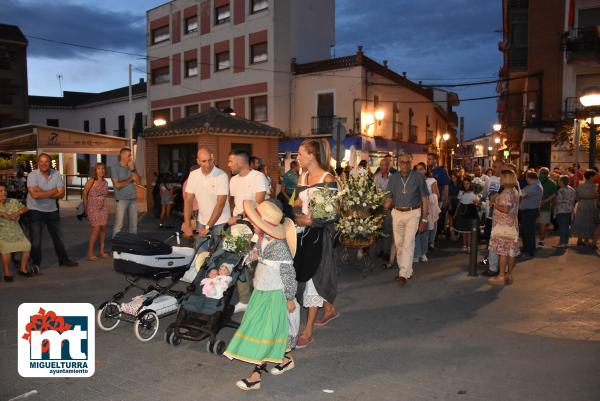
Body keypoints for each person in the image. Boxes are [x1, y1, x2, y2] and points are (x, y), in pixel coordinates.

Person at [224, 200, 298, 391]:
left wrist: (289, 297)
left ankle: (256, 375)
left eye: (255, 222)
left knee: (265, 331)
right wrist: (250, 256)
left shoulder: (280, 248)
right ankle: (284, 358)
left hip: (274, 295)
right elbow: (256, 254)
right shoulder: (262, 238)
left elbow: (289, 274)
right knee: (261, 329)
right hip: (260, 291)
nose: (252, 223)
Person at [293, 138, 339, 349]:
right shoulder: (302, 176)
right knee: (308, 274)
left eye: (301, 153)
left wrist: (310, 220)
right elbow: (297, 202)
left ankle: (308, 331)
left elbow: (333, 211)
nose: (298, 157)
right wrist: (297, 217)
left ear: (311, 155)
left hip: (319, 235)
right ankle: (329, 308)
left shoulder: (328, 178)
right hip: (302, 233)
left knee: (312, 278)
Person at [384, 153, 429, 286]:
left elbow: (425, 199)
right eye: (402, 162)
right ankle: (407, 270)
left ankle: (402, 274)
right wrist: (386, 203)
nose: (405, 165)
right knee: (399, 244)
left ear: (411, 163)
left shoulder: (418, 177)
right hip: (397, 213)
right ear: (398, 163)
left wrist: (424, 219)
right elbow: (388, 196)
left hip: (413, 213)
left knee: (408, 243)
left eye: (407, 162)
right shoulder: (393, 178)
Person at [27, 153, 77, 270]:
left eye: (46, 162)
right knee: (36, 239)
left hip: (52, 210)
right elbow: (34, 195)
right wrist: (53, 191)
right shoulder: (32, 175)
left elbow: (62, 194)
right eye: (41, 162)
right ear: (38, 163)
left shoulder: (56, 175)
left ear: (50, 163)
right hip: (35, 210)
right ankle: (36, 263)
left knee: (58, 237)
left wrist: (42, 192)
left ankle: (63, 260)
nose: (44, 164)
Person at [183, 147, 231, 242]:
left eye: (210, 160)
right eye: (204, 161)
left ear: (213, 158)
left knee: (220, 255)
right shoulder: (193, 175)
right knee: (200, 253)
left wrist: (208, 227)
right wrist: (187, 224)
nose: (208, 164)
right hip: (202, 221)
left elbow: (220, 204)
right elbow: (188, 201)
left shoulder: (222, 176)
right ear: (198, 161)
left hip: (221, 222)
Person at [488, 171, 520, 285]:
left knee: (502, 252)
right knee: (511, 252)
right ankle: (509, 275)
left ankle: (501, 276)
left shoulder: (506, 193)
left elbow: (505, 209)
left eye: (501, 178)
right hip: (512, 225)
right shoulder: (515, 191)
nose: (500, 180)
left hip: (503, 226)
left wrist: (493, 203)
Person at [0, 183, 32, 281]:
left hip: (15, 228)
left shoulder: (13, 201)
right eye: (0, 191)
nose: (3, 193)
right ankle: (7, 272)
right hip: (1, 230)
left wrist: (17, 213)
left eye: (4, 190)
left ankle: (22, 269)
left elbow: (26, 207)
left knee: (27, 245)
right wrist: (4, 213)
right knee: (6, 247)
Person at [227, 150, 268, 226]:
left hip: (253, 225)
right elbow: (233, 201)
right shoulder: (233, 180)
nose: (228, 165)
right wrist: (233, 216)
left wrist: (239, 216)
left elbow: (257, 204)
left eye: (230, 162)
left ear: (240, 163)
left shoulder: (258, 177)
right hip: (236, 224)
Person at [413, 163, 440, 262]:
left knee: (424, 232)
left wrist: (427, 198)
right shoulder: (412, 181)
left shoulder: (430, 181)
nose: (419, 171)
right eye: (417, 169)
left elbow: (437, 195)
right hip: (415, 208)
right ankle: (416, 253)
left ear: (425, 170)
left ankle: (423, 253)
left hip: (426, 208)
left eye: (421, 169)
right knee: (415, 232)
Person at [111, 147, 141, 236]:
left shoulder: (131, 166)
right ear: (122, 155)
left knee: (134, 225)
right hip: (121, 200)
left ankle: (132, 245)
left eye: (130, 155)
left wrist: (132, 170)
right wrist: (131, 179)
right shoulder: (115, 167)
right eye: (129, 155)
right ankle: (115, 245)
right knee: (119, 224)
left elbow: (138, 182)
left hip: (133, 199)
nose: (130, 157)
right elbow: (118, 185)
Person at [83, 163, 109, 261]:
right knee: (96, 228)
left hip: (103, 207)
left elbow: (105, 196)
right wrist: (85, 207)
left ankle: (102, 251)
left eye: (103, 168)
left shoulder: (105, 182)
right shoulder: (91, 181)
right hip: (92, 207)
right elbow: (84, 193)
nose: (101, 170)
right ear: (95, 170)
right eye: (99, 169)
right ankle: (90, 252)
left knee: (103, 229)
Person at [375, 158, 395, 263]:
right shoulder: (377, 178)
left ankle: (386, 252)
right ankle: (379, 250)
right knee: (379, 229)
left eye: (384, 165)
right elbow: (374, 192)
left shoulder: (393, 178)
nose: (382, 167)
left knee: (387, 229)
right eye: (381, 165)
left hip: (389, 208)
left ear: (388, 166)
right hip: (379, 208)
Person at [519, 171, 543, 258]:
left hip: (530, 212)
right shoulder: (536, 185)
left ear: (529, 178)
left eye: (526, 178)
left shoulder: (534, 186)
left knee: (528, 232)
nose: (526, 180)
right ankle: (526, 249)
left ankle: (529, 252)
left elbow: (521, 193)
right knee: (526, 231)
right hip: (530, 211)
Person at [572, 170, 599, 247]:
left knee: (581, 222)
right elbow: (595, 196)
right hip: (591, 205)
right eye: (594, 176)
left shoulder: (580, 185)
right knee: (589, 222)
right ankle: (586, 240)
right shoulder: (594, 186)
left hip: (581, 204)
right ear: (590, 177)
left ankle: (579, 239)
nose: (596, 177)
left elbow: (576, 196)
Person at [453, 176, 479, 252]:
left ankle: (469, 246)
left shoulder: (473, 192)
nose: (466, 185)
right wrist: (455, 213)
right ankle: (464, 245)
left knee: (470, 230)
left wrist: (476, 201)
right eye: (464, 184)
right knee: (464, 230)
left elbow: (476, 202)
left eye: (467, 184)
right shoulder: (461, 192)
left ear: (470, 184)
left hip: (471, 211)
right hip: (463, 210)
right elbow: (459, 203)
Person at [553, 175, 576, 248]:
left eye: (559, 180)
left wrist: (553, 204)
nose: (558, 181)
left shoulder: (561, 190)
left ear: (562, 181)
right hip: (569, 209)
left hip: (561, 209)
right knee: (566, 226)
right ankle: (566, 242)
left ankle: (562, 242)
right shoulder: (572, 189)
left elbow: (558, 200)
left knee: (562, 226)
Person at [536, 167, 557, 247]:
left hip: (534, 206)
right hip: (546, 206)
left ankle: (530, 240)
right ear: (548, 173)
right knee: (543, 225)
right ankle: (541, 241)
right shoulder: (552, 183)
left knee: (532, 223)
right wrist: (545, 201)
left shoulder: (535, 181)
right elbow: (554, 194)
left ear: (540, 172)